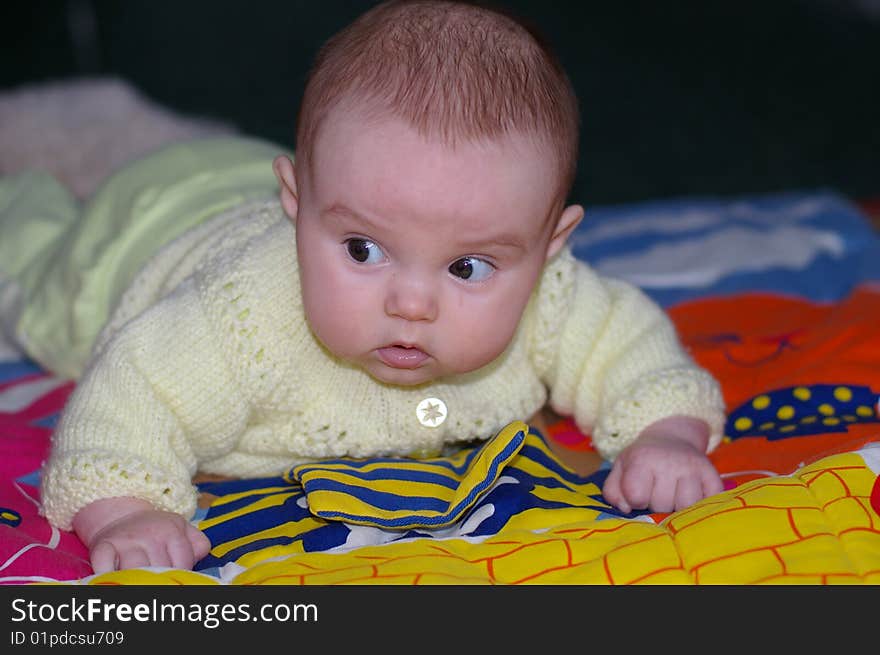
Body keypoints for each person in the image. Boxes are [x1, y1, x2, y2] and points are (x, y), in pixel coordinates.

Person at [38, 0, 726, 574]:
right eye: (363, 250)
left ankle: (151, 134)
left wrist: (665, 433)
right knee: (34, 258)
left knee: (205, 150)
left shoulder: (548, 295)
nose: (412, 303)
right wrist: (127, 510)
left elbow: (628, 345)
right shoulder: (238, 319)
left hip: (250, 172)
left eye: (467, 267)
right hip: (134, 238)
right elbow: (130, 396)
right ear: (298, 204)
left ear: (550, 249)